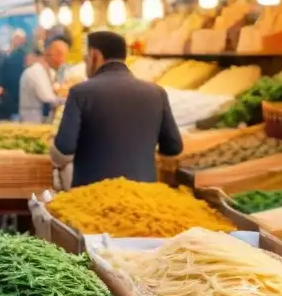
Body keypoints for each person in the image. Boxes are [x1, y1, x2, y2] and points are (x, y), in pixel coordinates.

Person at [52, 31, 184, 188]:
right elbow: (173, 148)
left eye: (86, 57)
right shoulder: (157, 93)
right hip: (142, 195)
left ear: (95, 55)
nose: (85, 62)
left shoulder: (80, 93)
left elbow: (63, 150)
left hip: (92, 197)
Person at [19, 37, 69, 124]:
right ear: (49, 54)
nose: (62, 61)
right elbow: (48, 98)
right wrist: (71, 98)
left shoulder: (49, 71)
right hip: (31, 121)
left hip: (41, 119)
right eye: (60, 56)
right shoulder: (36, 71)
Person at [0, 29, 28, 120]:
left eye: (19, 39)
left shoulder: (19, 55)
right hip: (9, 91)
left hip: (14, 91)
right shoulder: (9, 53)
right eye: (15, 38)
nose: (16, 41)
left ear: (23, 40)